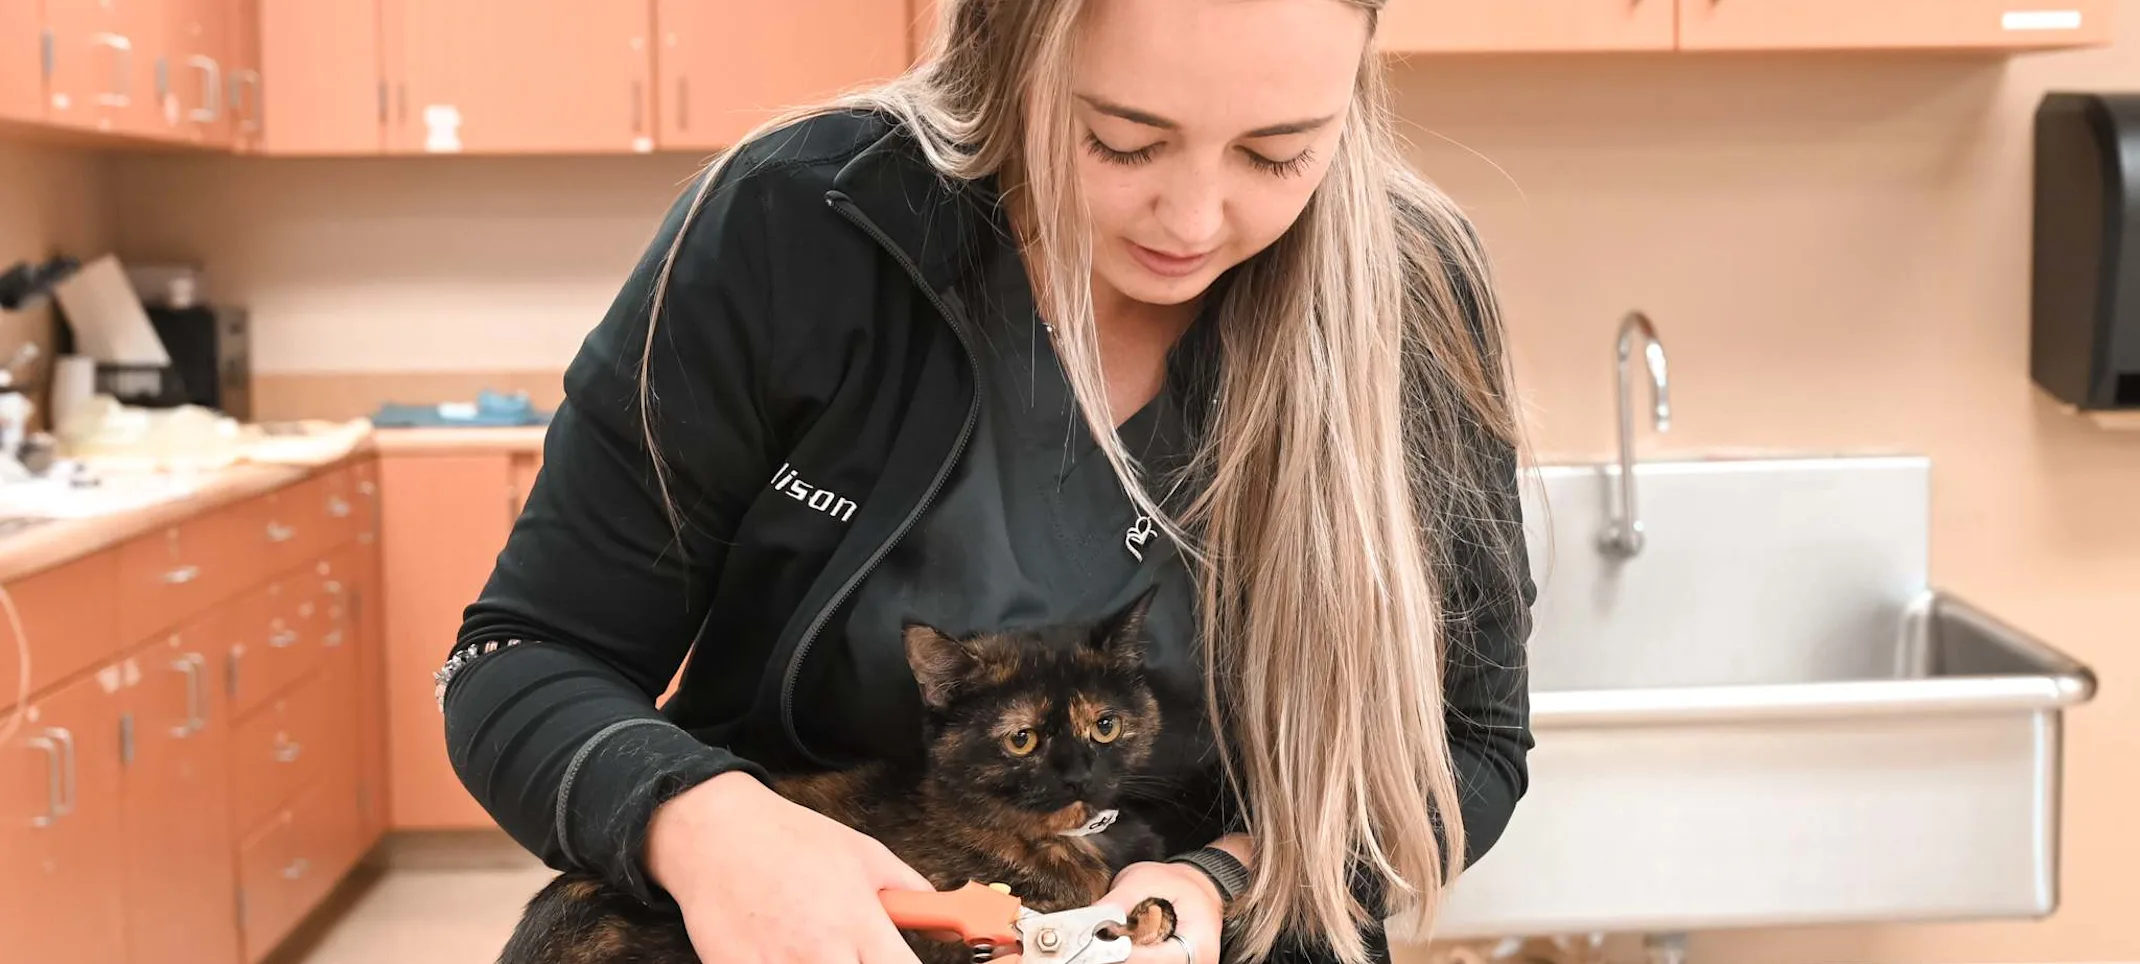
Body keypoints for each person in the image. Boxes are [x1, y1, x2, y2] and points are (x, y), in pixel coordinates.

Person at [438, 1, 1537, 962]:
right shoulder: (800, 226)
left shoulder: (1412, 297)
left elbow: (1469, 747)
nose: (1194, 221)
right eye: (1121, 141)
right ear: (1005, 57)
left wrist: (1218, 879)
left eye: (1277, 155)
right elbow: (525, 657)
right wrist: (706, 826)